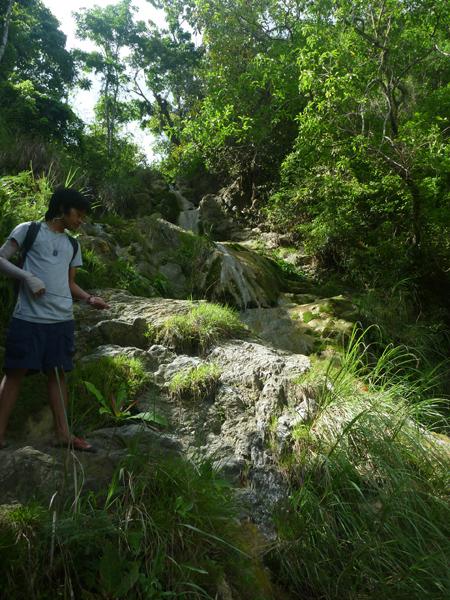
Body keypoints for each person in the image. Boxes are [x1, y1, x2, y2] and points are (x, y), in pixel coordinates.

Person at [0, 188, 109, 452]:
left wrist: (88, 298)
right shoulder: (29, 230)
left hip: (61, 319)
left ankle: (63, 434)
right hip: (29, 317)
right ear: (62, 209)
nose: (80, 221)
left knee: (58, 374)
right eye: (78, 214)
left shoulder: (72, 244)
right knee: (15, 373)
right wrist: (26, 277)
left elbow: (70, 283)